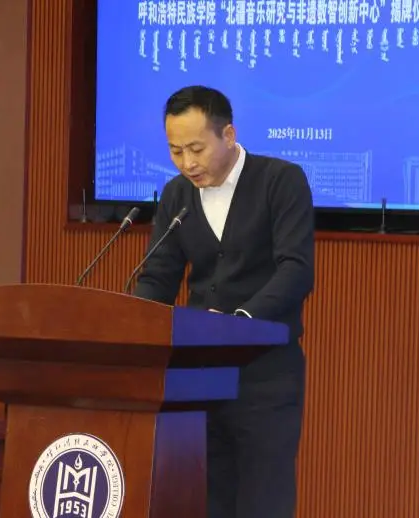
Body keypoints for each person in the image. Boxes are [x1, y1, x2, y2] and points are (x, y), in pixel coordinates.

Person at [133, 85, 315, 518]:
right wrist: (133, 326)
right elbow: (158, 277)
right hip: (197, 378)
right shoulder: (177, 195)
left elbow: (296, 270)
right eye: (175, 151)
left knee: (263, 504)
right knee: (202, 501)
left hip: (265, 376)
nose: (187, 163)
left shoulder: (280, 181)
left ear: (228, 135)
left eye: (196, 149)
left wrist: (239, 322)